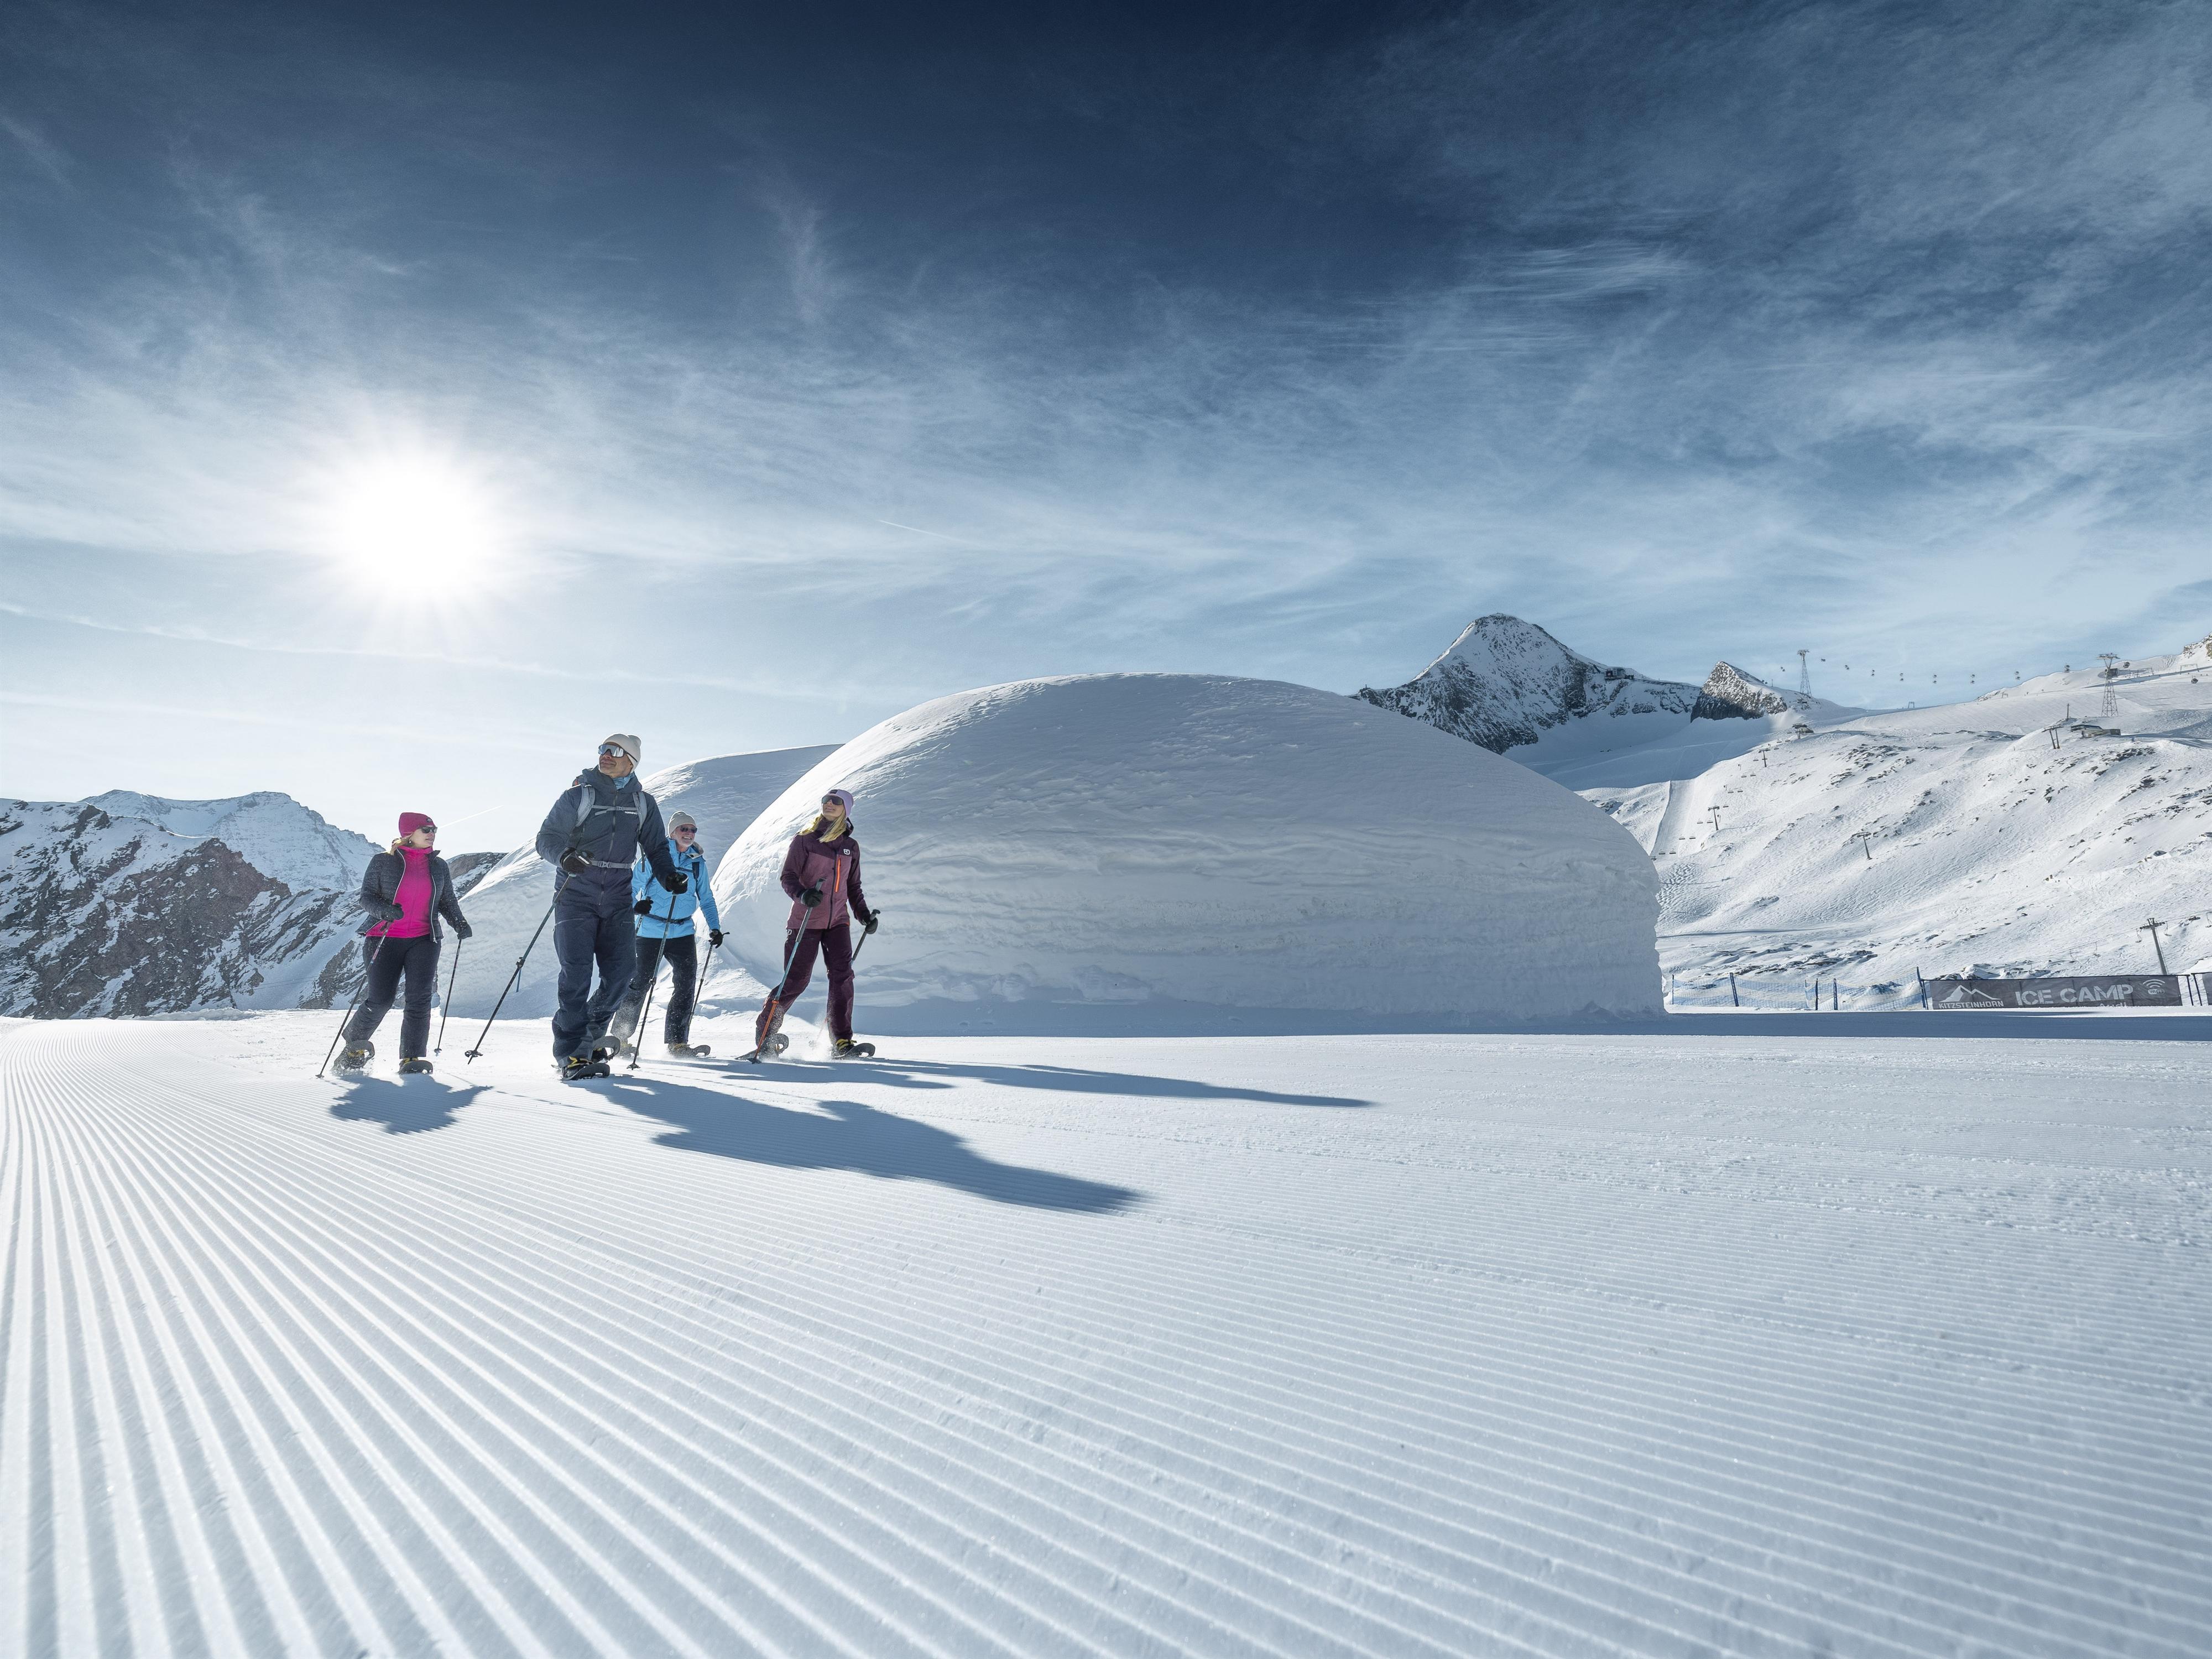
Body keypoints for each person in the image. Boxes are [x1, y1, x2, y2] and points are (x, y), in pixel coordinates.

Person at [534, 733, 685, 1079]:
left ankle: (588, 1032)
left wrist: (669, 877)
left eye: (616, 751)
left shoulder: (644, 803)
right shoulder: (578, 795)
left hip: (618, 896)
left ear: (631, 761)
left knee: (622, 974)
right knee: (576, 975)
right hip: (575, 894)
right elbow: (547, 840)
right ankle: (571, 1053)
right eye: (603, 749)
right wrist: (566, 857)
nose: (606, 755)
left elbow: (656, 849)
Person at [336, 811, 473, 1074]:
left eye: (434, 830)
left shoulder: (439, 865)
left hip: (425, 940)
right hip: (384, 938)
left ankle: (412, 1058)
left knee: (419, 1000)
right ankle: (354, 1045)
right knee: (380, 1000)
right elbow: (366, 898)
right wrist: (385, 911)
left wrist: (459, 923)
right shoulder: (382, 862)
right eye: (426, 829)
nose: (432, 834)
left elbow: (447, 901)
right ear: (409, 833)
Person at [753, 787, 878, 1059]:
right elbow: (788, 876)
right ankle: (766, 1035)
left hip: (838, 922)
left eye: (836, 801)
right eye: (825, 800)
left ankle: (842, 1041)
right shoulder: (806, 840)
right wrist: (803, 894)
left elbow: (853, 887)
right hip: (805, 920)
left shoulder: (850, 847)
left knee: (843, 977)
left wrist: (864, 915)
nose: (829, 804)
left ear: (846, 809)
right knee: (796, 980)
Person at [610, 808, 724, 1057]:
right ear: (672, 833)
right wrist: (634, 908)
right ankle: (619, 1039)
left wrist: (715, 927)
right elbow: (630, 888)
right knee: (639, 984)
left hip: (683, 931)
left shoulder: (697, 863)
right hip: (650, 930)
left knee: (685, 985)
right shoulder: (654, 858)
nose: (689, 833)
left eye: (693, 830)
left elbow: (706, 898)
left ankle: (677, 1043)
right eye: (684, 829)